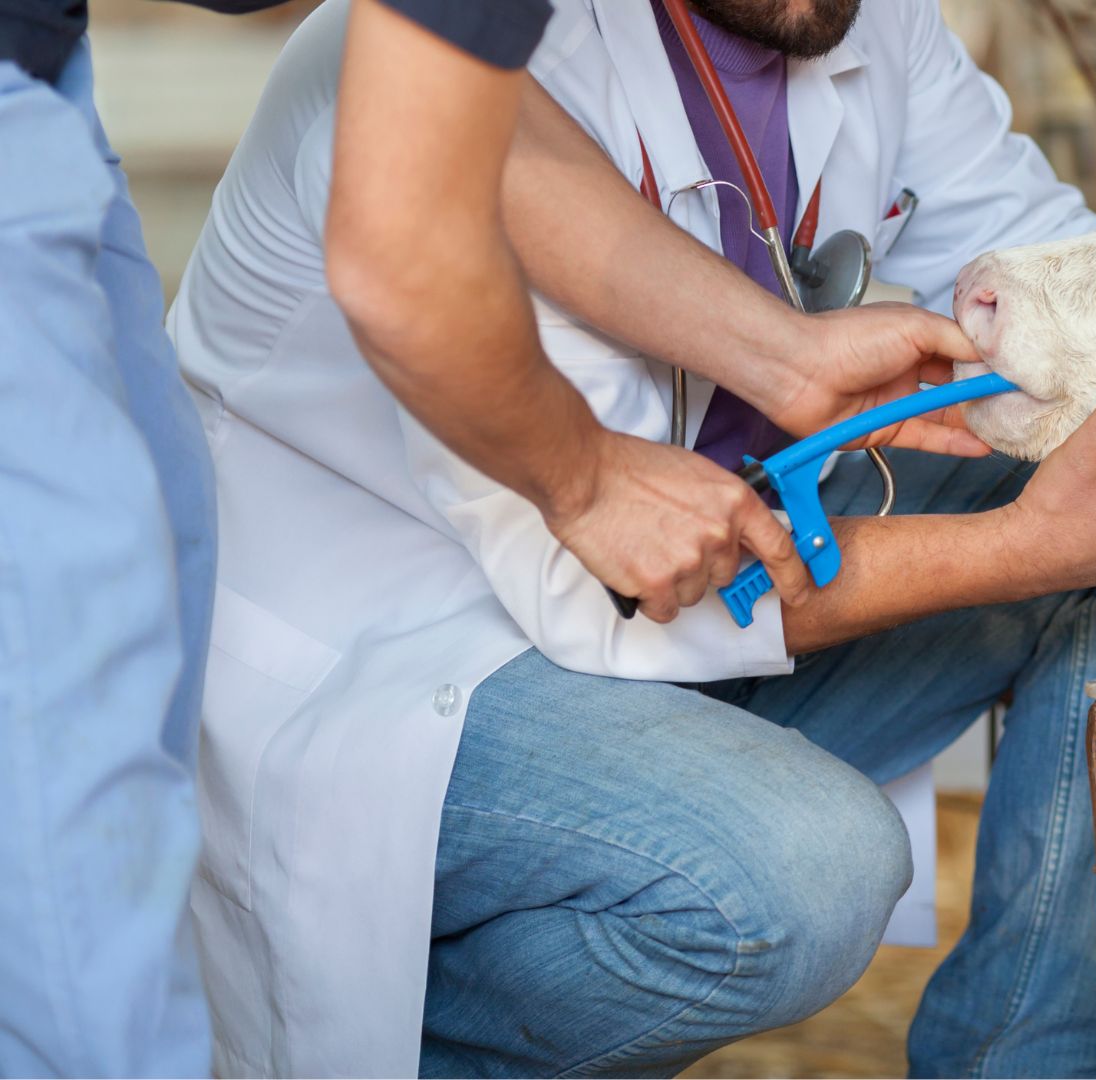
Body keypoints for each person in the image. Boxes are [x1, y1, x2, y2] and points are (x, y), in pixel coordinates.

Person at [172, 0, 1096, 1076]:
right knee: (801, 875)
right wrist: (1033, 547)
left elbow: (1068, 272)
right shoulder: (457, 60)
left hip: (687, 573)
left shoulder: (867, 19)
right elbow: (619, 577)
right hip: (409, 664)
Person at [1, 0, 1022, 1073]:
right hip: (393, 635)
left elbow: (511, 149)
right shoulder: (496, 47)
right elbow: (411, 249)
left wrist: (786, 359)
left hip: (41, 59)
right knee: (805, 869)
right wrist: (584, 479)